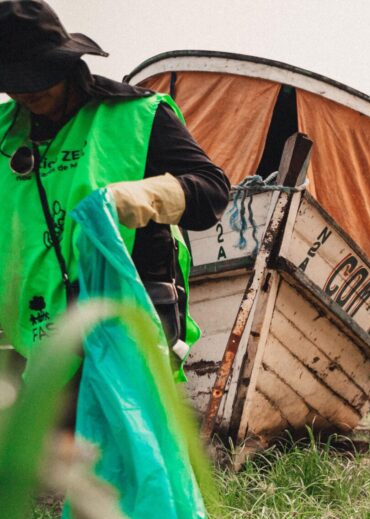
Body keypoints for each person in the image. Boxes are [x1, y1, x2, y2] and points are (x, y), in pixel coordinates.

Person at [0, 0, 229, 369]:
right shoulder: (5, 129)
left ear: (64, 60)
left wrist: (142, 195)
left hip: (124, 335)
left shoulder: (138, 115)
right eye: (11, 82)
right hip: (35, 343)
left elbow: (212, 190)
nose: (25, 93)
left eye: (36, 76)